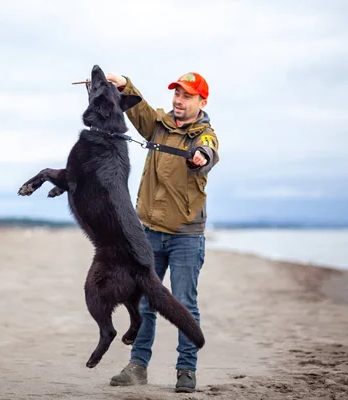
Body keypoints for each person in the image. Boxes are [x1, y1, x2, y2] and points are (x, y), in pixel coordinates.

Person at [105, 71, 220, 393]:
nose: (179, 101)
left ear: (201, 101)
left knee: (184, 303)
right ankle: (137, 366)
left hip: (186, 235)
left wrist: (201, 158)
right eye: (177, 94)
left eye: (186, 96)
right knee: (143, 302)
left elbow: (209, 151)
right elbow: (138, 108)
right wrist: (123, 84)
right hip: (148, 232)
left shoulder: (205, 135)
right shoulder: (158, 124)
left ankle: (186, 370)